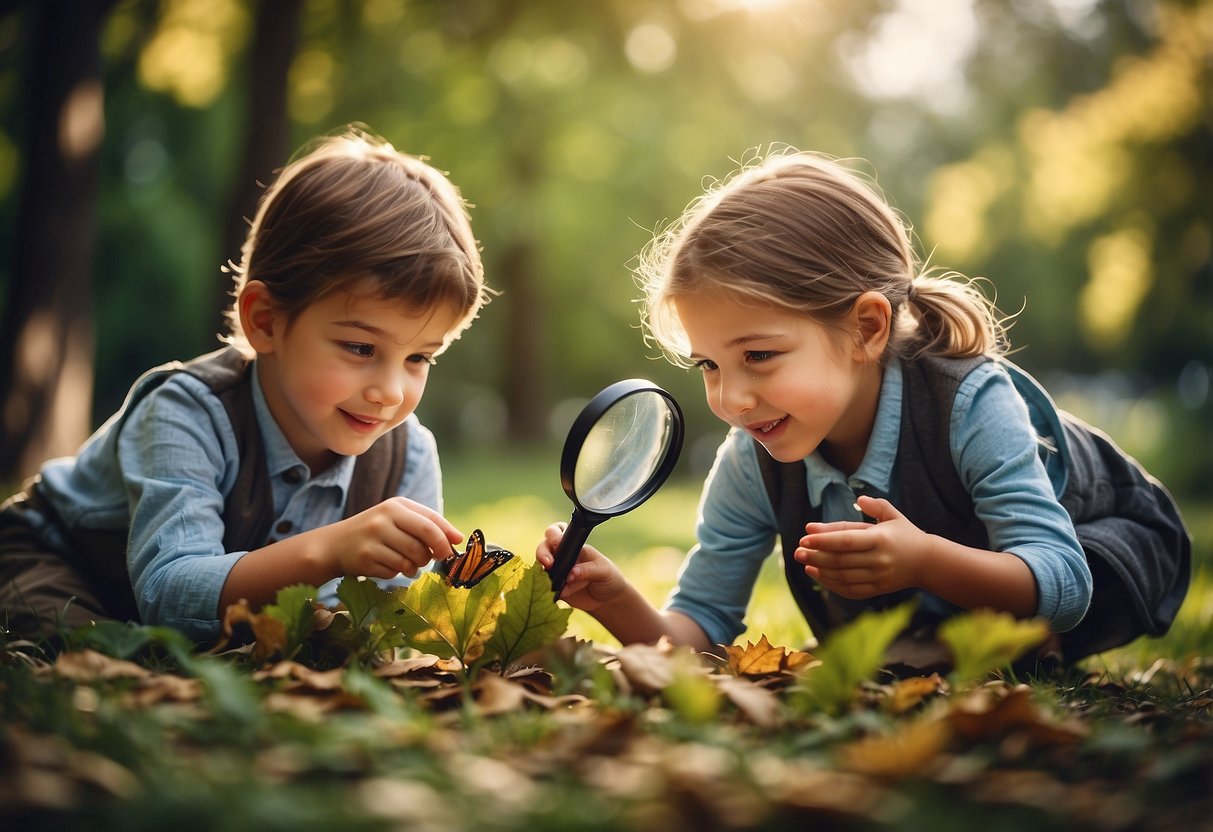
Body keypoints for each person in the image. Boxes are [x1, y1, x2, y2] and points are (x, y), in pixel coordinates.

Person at [537, 150, 1190, 670]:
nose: (730, 399)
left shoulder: (971, 403)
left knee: (1000, 603)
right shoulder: (751, 460)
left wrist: (925, 560)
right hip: (933, 614)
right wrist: (618, 604)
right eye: (707, 365)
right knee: (889, 653)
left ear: (867, 329)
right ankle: (944, 646)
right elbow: (697, 632)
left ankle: (994, 644)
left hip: (1111, 547)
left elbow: (1066, 581)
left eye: (759, 355)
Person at [0, 126, 491, 644]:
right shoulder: (186, 411)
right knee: (90, 650)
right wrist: (326, 552)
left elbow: (393, 619)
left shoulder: (407, 457)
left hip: (209, 616)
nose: (391, 391)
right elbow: (168, 593)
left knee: (326, 645)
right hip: (56, 559)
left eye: (419, 357)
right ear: (265, 321)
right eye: (361, 348)